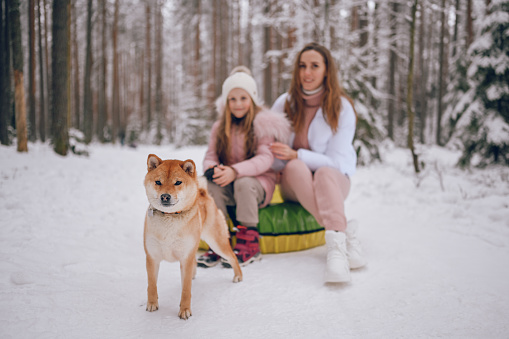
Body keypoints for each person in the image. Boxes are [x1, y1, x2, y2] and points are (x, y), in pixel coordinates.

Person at [269, 42, 366, 283]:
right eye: (302, 66)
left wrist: (297, 153)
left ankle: (335, 249)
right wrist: (286, 157)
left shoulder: (342, 107)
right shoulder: (284, 103)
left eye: (314, 66)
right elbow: (270, 154)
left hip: (334, 180)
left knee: (322, 172)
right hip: (294, 183)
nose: (307, 73)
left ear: (326, 70)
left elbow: (335, 161)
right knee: (295, 166)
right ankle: (342, 236)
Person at [198, 66, 291, 268]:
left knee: (244, 182)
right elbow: (211, 155)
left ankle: (250, 242)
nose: (238, 104)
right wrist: (213, 169)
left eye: (243, 98)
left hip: (257, 184)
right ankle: (218, 241)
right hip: (230, 181)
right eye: (233, 99)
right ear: (226, 101)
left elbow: (265, 158)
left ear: (252, 99)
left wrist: (235, 171)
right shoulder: (219, 127)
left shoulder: (262, 124)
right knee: (212, 185)